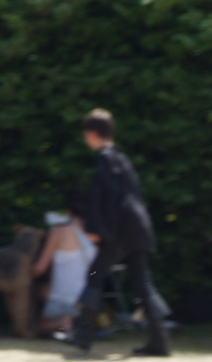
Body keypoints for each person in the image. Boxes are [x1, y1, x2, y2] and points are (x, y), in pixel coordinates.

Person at [69, 108, 170, 357]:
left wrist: (96, 229)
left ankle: (81, 336)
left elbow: (104, 197)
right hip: (137, 227)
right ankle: (160, 340)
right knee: (143, 283)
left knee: (94, 275)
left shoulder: (105, 159)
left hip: (119, 229)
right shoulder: (120, 158)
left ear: (91, 134)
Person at [33, 190, 97, 337]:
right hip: (87, 301)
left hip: (63, 301)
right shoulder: (95, 235)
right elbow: (95, 271)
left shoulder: (59, 232)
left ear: (68, 211)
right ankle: (77, 322)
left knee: (39, 325)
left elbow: (39, 269)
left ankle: (63, 323)